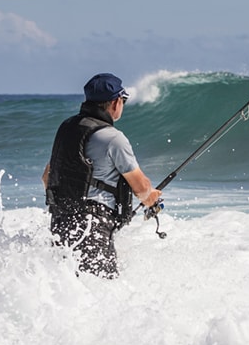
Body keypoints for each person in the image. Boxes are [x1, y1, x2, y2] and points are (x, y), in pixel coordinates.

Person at [42, 73, 162, 278]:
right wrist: (152, 199)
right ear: (115, 103)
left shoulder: (68, 128)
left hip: (60, 220)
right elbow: (141, 188)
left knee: (67, 288)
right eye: (123, 100)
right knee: (103, 289)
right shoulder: (114, 138)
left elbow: (47, 177)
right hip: (92, 223)